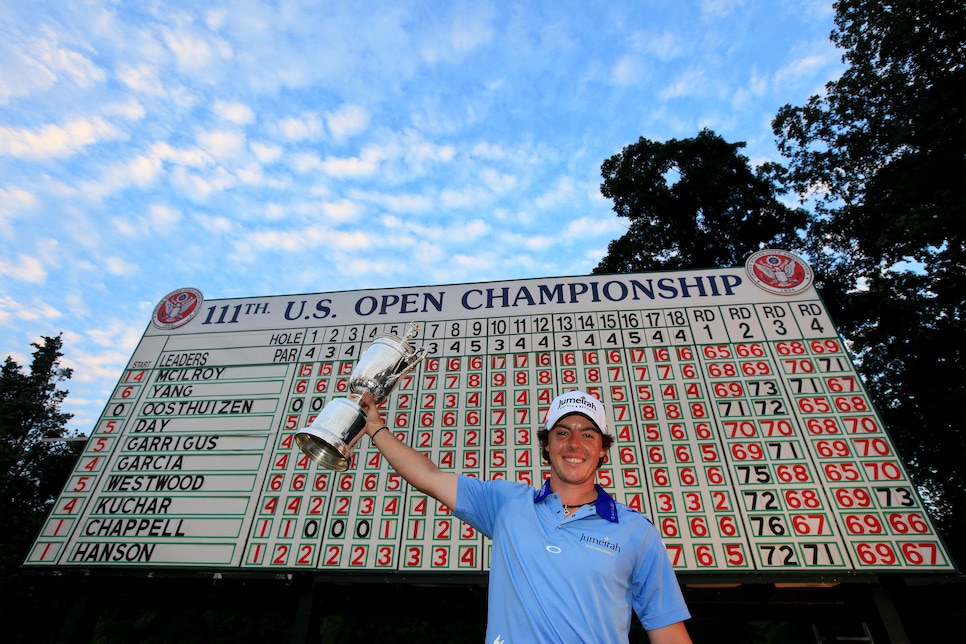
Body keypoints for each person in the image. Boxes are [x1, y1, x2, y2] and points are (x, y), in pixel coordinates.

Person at [360, 389, 692, 644]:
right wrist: (375, 427)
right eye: (562, 432)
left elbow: (667, 631)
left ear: (602, 449)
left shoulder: (636, 531)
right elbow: (427, 476)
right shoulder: (507, 503)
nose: (574, 443)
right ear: (546, 444)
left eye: (588, 434)